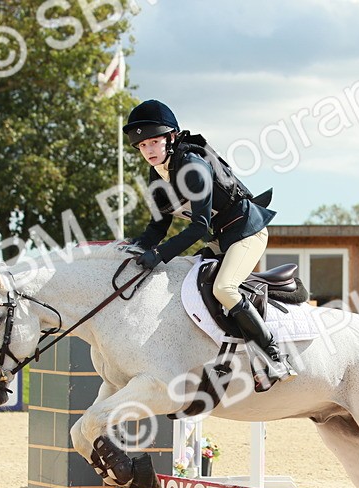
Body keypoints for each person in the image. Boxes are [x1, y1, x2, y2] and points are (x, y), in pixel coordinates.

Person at [123, 99, 296, 385]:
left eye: (153, 142)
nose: (148, 151)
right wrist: (136, 249)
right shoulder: (157, 175)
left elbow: (199, 225)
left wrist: (159, 255)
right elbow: (157, 227)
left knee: (224, 288)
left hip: (246, 232)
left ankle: (273, 355)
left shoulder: (192, 165)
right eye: (142, 146)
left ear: (171, 137)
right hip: (220, 238)